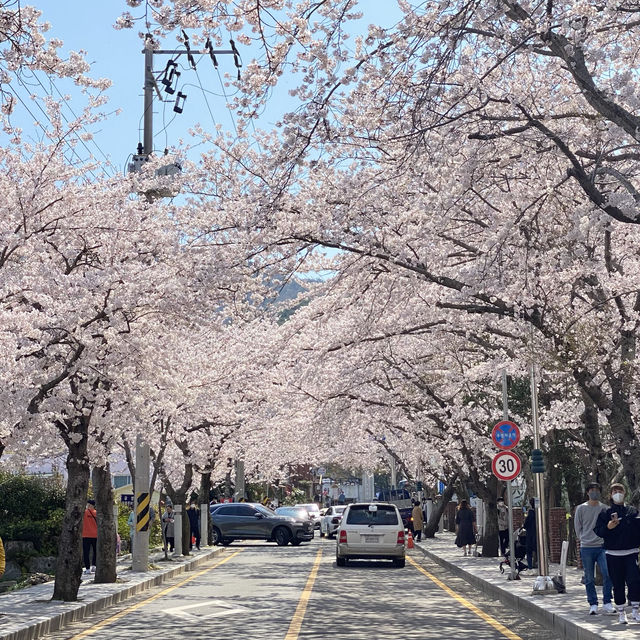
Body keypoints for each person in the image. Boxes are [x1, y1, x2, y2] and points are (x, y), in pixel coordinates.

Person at [594, 483, 640, 624]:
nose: (617, 493)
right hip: (613, 554)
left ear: (624, 493)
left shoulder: (632, 511)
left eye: (620, 490)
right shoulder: (605, 513)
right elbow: (598, 531)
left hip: (631, 553)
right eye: (614, 491)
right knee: (618, 583)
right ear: (610, 494)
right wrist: (608, 527)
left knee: (634, 582)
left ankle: (636, 610)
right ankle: (621, 612)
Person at [574, 482, 614, 615]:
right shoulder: (581, 508)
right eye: (592, 490)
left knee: (608, 573)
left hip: (602, 546)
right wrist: (583, 539)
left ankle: (607, 602)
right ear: (587, 492)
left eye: (597, 490)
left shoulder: (605, 508)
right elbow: (577, 527)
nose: (594, 492)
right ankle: (593, 603)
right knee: (589, 577)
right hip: (587, 547)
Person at [81, 499, 98, 574]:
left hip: (86, 535)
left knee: (86, 552)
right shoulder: (97, 513)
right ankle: (94, 566)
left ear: (89, 505)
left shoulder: (84, 513)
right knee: (96, 551)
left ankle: (87, 569)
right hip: (96, 535)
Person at [523, 498, 537, 570]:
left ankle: (530, 566)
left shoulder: (530, 513)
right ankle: (538, 564)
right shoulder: (539, 513)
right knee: (537, 551)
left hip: (530, 534)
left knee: (529, 552)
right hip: (537, 535)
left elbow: (525, 524)